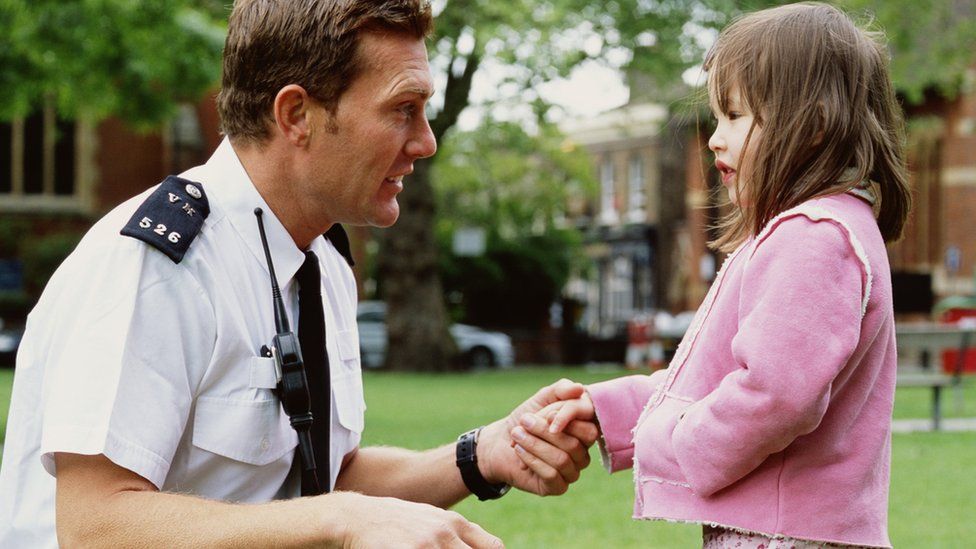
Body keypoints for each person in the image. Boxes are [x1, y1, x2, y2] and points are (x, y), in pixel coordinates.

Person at [0, 1, 597, 547]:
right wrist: (343, 518)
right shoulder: (154, 269)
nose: (427, 142)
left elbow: (319, 480)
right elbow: (95, 525)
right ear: (296, 114)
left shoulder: (323, 264)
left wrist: (482, 454)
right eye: (403, 110)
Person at [526, 3, 911, 548]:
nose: (713, 138)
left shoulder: (814, 236)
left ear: (816, 127)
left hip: (779, 537)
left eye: (733, 115)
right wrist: (608, 408)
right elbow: (725, 377)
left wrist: (684, 445)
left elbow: (776, 395)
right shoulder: (823, 230)